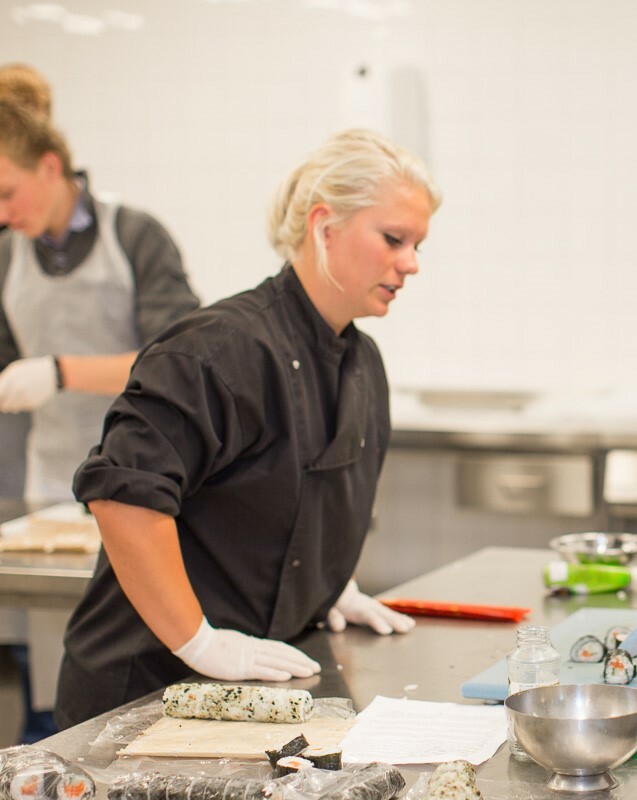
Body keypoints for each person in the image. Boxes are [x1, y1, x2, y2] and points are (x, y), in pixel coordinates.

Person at [55, 128, 434, 728]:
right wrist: (199, 641)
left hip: (254, 695)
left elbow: (294, 497)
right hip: (143, 692)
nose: (410, 263)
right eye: (393, 239)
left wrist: (328, 584)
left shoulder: (360, 365)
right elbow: (122, 499)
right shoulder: (217, 349)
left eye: (416, 244)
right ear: (323, 225)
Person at [0, 98, 200, 502]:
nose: (2, 213)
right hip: (50, 481)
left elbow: (178, 364)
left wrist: (60, 373)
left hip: (140, 473)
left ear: (50, 167)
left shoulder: (134, 236)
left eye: (8, 193)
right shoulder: (7, 256)